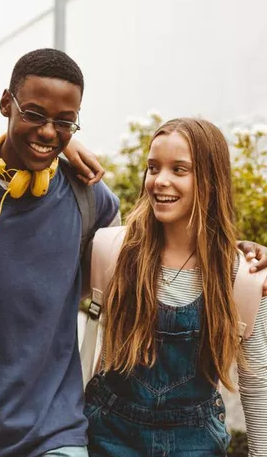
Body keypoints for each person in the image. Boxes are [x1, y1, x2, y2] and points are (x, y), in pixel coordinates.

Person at [0, 49, 267, 457]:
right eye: (34, 114)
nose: (49, 131)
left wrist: (236, 255)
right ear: (5, 104)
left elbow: (156, 255)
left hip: (57, 432)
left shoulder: (94, 205)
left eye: (65, 121)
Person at [84, 118, 267, 456]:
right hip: (109, 434)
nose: (160, 181)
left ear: (210, 182)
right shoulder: (115, 252)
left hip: (196, 442)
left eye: (179, 169)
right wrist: (68, 143)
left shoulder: (243, 275)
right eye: (153, 168)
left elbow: (257, 382)